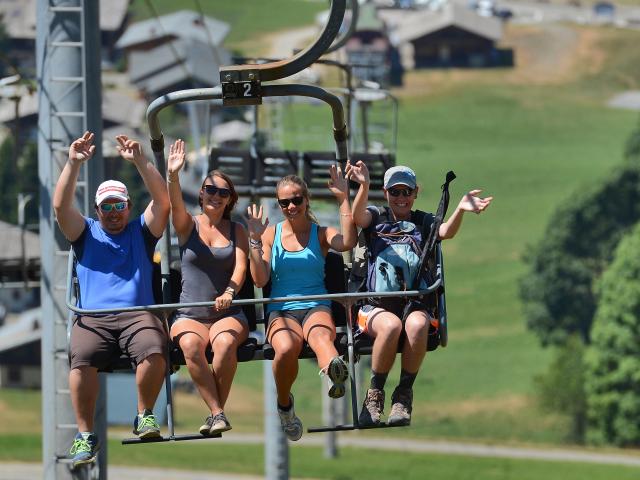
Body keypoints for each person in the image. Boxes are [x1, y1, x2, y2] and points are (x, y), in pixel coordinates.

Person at [53, 132, 170, 468]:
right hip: (93, 317)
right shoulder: (85, 232)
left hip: (137, 314)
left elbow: (163, 203)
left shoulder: (140, 233)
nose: (114, 213)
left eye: (119, 206)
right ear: (97, 210)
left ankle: (144, 413)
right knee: (82, 355)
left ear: (129, 207)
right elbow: (61, 206)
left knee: (153, 346)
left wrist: (140, 161)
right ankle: (86, 434)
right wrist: (73, 164)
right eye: (107, 207)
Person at [346, 162, 493, 426]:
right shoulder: (375, 217)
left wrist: (460, 208)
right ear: (386, 193)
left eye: (406, 192)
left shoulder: (423, 221)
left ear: (415, 194)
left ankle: (403, 396)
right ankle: (375, 394)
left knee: (418, 324)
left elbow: (445, 232)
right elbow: (357, 218)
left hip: (413, 303)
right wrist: (363, 186)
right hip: (376, 306)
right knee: (390, 327)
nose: (401, 198)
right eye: (395, 192)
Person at [246, 167, 357, 441]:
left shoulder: (321, 234)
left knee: (320, 335)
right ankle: (285, 404)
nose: (291, 206)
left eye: (296, 200)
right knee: (285, 348)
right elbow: (260, 280)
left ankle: (334, 370)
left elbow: (348, 242)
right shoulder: (271, 235)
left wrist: (344, 199)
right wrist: (255, 241)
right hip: (281, 310)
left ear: (306, 199)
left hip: (316, 304)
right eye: (285, 203)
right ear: (279, 205)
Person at [166, 139, 250, 436]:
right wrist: (173, 175)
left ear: (229, 199)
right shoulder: (188, 225)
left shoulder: (237, 230)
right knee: (190, 345)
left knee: (225, 344)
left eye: (222, 192)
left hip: (226, 312)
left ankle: (216, 413)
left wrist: (229, 292)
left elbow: (241, 265)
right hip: (190, 314)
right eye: (210, 190)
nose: (215, 196)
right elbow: (174, 204)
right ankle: (217, 412)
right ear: (201, 194)